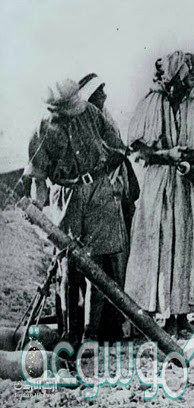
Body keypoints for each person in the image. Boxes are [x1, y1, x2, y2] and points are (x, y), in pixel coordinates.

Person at [124, 51, 194, 335]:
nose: (175, 89)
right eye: (170, 84)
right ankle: (150, 313)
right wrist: (167, 155)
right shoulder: (151, 104)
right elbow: (138, 149)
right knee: (155, 244)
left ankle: (180, 315)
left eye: (180, 83)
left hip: (189, 184)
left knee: (188, 245)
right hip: (159, 183)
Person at [24, 79, 127, 345]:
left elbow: (117, 147)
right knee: (69, 266)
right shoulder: (42, 130)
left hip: (98, 193)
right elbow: (38, 179)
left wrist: (104, 177)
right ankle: (71, 334)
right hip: (65, 198)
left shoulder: (90, 113)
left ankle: (91, 334)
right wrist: (37, 205)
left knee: (97, 266)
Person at [78, 73, 140, 237]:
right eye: (99, 91)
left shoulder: (106, 117)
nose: (104, 95)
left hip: (118, 179)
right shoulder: (84, 122)